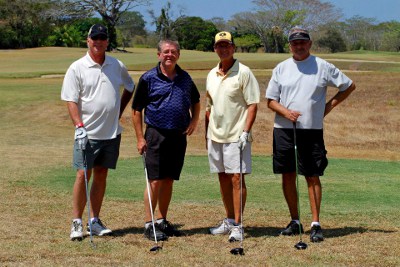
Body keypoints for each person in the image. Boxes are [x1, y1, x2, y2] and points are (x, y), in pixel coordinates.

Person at [266, 27, 356, 242]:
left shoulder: (323, 66)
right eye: (295, 42)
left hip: (312, 130)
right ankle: (295, 220)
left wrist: (328, 107)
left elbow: (349, 86)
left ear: (310, 43)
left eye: (303, 42)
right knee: (287, 174)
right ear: (290, 45)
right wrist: (286, 112)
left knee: (312, 175)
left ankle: (316, 223)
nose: (299, 46)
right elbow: (270, 101)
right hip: (284, 130)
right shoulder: (281, 68)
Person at [61, 24, 135, 241]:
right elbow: (71, 100)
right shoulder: (77, 67)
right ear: (88, 40)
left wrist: (119, 111)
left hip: (111, 133)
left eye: (102, 38)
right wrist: (79, 126)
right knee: (83, 174)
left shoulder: (116, 64)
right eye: (95, 38)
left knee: (102, 174)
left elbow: (130, 87)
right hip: (87, 133)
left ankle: (94, 221)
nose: (98, 42)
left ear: (107, 41)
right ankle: (76, 222)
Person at [131, 40, 200, 241]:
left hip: (178, 135)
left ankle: (161, 220)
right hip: (155, 134)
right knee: (154, 180)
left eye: (173, 52)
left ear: (178, 54)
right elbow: (136, 110)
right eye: (166, 52)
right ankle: (148, 224)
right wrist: (139, 138)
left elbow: (195, 101)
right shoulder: (148, 78)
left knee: (169, 179)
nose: (169, 55)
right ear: (159, 54)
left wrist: (194, 121)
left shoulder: (185, 78)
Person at [205, 31, 260, 242]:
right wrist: (206, 134)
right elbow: (209, 107)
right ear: (215, 49)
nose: (223, 49)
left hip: (237, 135)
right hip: (215, 136)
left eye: (227, 45)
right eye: (220, 46)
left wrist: (246, 132)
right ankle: (228, 219)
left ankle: (238, 224)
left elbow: (253, 104)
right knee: (222, 177)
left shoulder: (244, 72)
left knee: (237, 178)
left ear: (233, 48)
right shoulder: (211, 74)